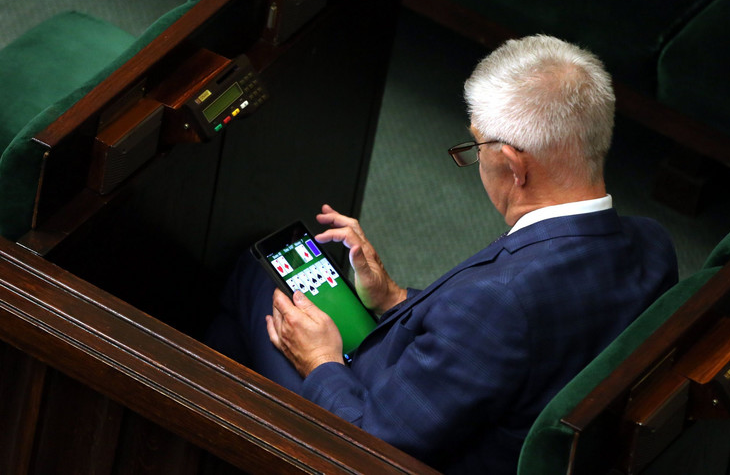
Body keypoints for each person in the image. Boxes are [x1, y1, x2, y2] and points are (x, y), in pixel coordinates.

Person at [207, 34, 678, 473]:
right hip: (451, 403)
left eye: (476, 145)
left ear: (513, 165)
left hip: (377, 435)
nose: (475, 158)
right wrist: (393, 298)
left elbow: (373, 442)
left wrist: (320, 361)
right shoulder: (652, 244)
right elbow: (495, 349)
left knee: (254, 277)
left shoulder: (498, 303)